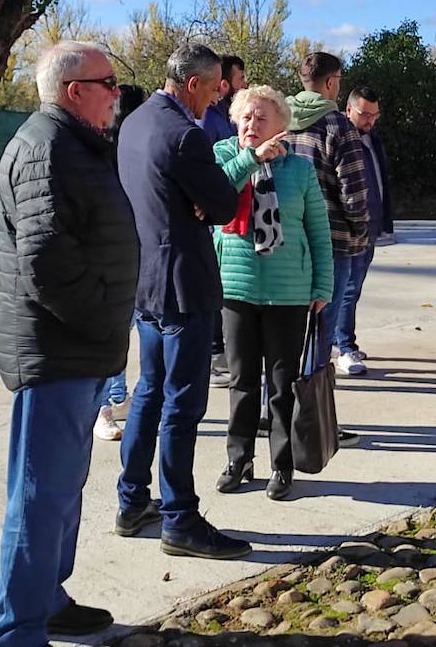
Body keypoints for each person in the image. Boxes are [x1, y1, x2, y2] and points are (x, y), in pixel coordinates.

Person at [0, 43, 141, 647]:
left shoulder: (73, 144)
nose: (116, 95)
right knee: (39, 499)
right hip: (57, 350)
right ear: (74, 91)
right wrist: (104, 319)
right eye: (109, 84)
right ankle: (15, 633)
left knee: (59, 491)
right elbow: (46, 262)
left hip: (78, 347)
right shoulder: (46, 148)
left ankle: (47, 600)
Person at [116, 44, 251, 560]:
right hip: (183, 285)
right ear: (193, 83)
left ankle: (132, 501)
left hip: (146, 281)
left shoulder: (135, 122)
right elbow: (220, 203)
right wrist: (205, 198)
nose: (221, 94)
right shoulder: (185, 136)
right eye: (217, 85)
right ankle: (180, 518)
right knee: (182, 403)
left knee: (150, 392)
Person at [212, 87, 331, 501]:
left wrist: (323, 285)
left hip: (289, 292)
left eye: (261, 118)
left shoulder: (299, 170)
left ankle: (283, 464)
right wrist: (251, 158)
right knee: (242, 381)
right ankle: (238, 459)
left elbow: (318, 229)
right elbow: (215, 195)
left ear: (281, 127)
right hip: (236, 288)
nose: (252, 124)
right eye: (246, 117)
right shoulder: (225, 155)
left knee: (282, 386)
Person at [286, 53, 370, 389]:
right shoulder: (338, 126)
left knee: (287, 330)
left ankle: (277, 406)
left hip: (288, 241)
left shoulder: (279, 121)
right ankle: (310, 417)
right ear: (332, 82)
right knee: (321, 333)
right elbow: (354, 192)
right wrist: (361, 228)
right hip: (333, 243)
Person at [95, 83, 149, 443]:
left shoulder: (133, 146)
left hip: (136, 248)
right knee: (113, 330)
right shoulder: (108, 148)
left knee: (125, 327)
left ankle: (116, 397)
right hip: (113, 250)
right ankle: (102, 408)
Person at [334, 87, 394, 373]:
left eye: (374, 114)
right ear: (348, 110)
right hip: (350, 228)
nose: (370, 120)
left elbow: (380, 184)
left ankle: (346, 341)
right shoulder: (343, 141)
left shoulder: (373, 140)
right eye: (364, 114)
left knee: (354, 289)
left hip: (370, 226)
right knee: (347, 288)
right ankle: (344, 347)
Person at [203, 56, 247, 388]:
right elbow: (214, 179)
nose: (242, 81)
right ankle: (215, 354)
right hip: (217, 223)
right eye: (239, 76)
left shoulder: (222, 117)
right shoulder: (210, 120)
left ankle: (219, 352)